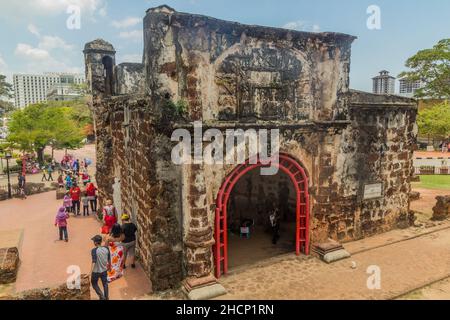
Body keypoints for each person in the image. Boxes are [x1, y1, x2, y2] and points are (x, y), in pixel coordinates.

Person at [90, 235, 111, 300]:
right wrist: (109, 267)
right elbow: (109, 259)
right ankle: (107, 297)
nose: (93, 242)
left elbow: (94, 261)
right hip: (104, 270)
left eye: (94, 241)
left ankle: (102, 297)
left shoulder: (94, 250)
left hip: (96, 271)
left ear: (95, 242)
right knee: (105, 284)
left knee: (94, 283)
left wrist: (90, 273)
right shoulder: (106, 248)